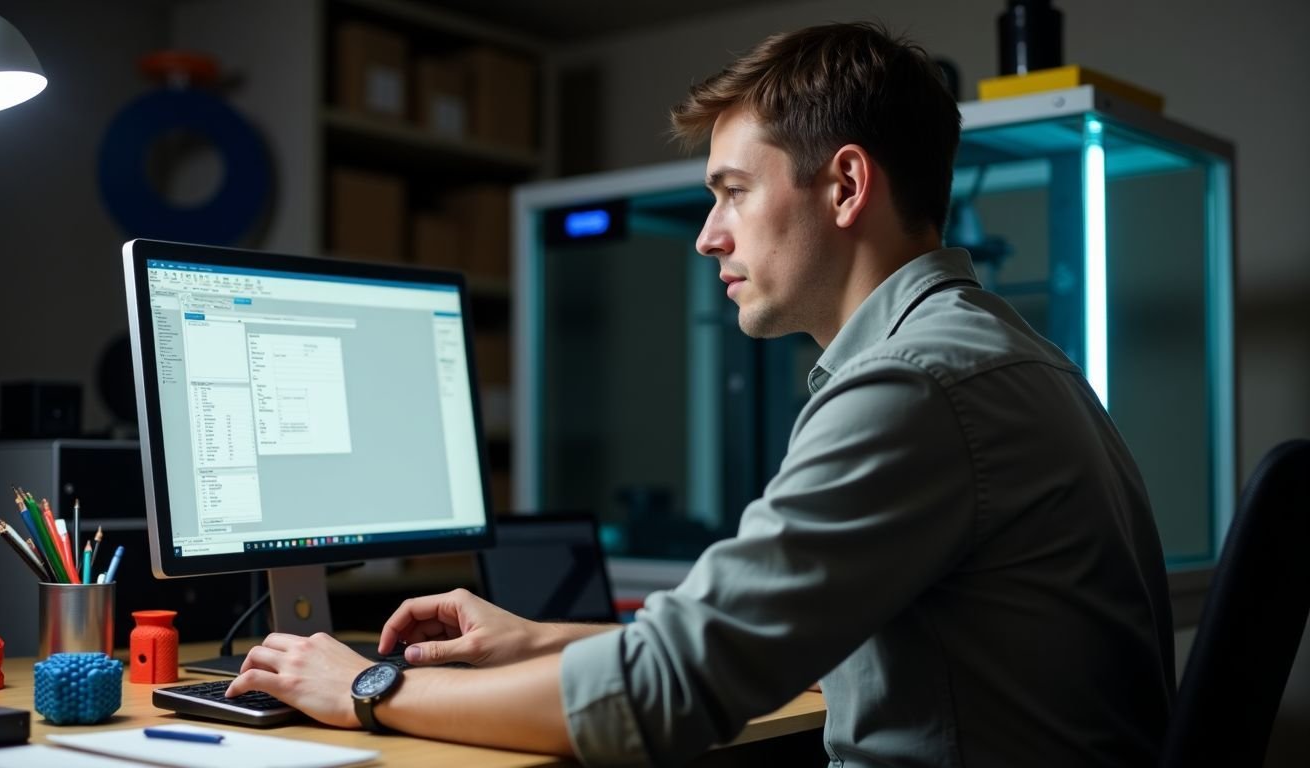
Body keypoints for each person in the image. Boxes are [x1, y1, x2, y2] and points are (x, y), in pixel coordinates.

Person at [226, 21, 1175, 766]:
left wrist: (362, 690)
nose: (706, 236)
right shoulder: (991, 353)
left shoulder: (912, 386)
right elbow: (752, 633)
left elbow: (665, 692)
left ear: (845, 185)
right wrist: (534, 641)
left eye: (731, 192)